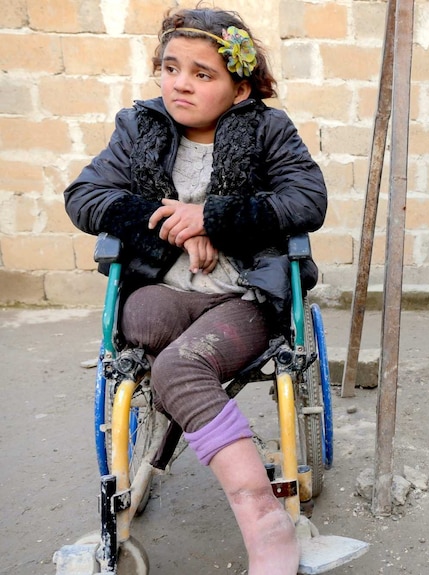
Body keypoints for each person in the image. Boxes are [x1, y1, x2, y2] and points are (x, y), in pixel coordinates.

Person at [65, 7, 327, 574]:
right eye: (171, 67)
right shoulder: (139, 128)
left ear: (239, 88)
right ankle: (197, 405)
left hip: (242, 296)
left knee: (178, 370)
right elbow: (84, 197)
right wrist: (177, 226)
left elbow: (307, 202)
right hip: (165, 289)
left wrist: (213, 217)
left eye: (203, 73)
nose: (181, 82)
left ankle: (265, 520)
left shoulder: (267, 130)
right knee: (142, 323)